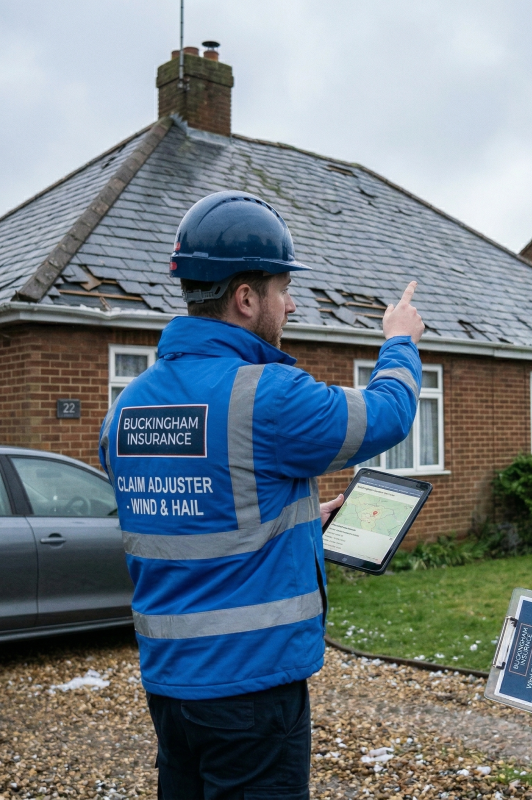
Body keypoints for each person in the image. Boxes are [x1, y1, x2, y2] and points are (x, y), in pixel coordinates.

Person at [99, 190, 425, 800]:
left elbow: (193, 508)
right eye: (283, 289)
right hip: (250, 689)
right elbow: (389, 413)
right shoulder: (269, 396)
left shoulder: (127, 407)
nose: (291, 303)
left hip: (168, 687)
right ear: (246, 299)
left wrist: (293, 517)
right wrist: (400, 339)